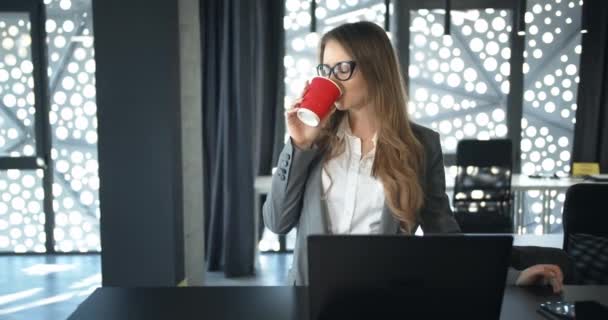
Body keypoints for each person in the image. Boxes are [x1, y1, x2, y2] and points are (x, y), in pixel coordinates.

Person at [263, 21, 563, 292]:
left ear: (375, 68)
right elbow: (277, 222)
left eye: (342, 68)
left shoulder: (421, 145)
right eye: (325, 70)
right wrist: (299, 145)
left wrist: (512, 277)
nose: (332, 81)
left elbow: (443, 238)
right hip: (311, 298)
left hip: (384, 299)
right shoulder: (316, 142)